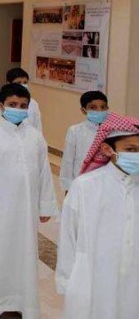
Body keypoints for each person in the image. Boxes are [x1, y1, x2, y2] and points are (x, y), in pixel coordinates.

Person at [0, 83, 58, 318]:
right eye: (12, 104)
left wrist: (45, 205)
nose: (18, 109)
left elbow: (44, 172)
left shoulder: (35, 137)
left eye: (23, 105)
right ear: (0, 106)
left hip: (26, 209)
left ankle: (23, 301)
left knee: (24, 254)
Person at [56, 113, 139, 319]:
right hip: (93, 279)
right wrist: (67, 282)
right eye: (131, 150)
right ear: (107, 149)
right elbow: (68, 237)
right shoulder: (85, 186)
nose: (137, 155)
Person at [59, 90, 109, 192]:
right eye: (93, 107)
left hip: (105, 183)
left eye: (103, 107)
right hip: (81, 182)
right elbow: (68, 161)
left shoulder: (112, 132)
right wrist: (68, 187)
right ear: (83, 110)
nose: (99, 110)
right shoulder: (75, 131)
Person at [0, 67, 43, 134]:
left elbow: (38, 126)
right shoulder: (1, 102)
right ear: (9, 84)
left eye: (25, 82)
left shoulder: (34, 103)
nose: (22, 85)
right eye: (18, 83)